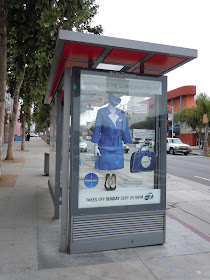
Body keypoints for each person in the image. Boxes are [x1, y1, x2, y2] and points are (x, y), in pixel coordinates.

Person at [91, 94, 132, 190]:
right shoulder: (101, 112)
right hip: (104, 143)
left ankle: (113, 178)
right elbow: (97, 128)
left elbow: (125, 129)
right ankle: (107, 178)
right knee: (106, 165)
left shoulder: (121, 113)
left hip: (117, 144)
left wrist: (126, 142)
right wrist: (95, 145)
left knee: (115, 165)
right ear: (110, 100)